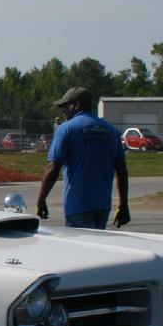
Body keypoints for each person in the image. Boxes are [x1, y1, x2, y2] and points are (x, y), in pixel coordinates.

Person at [36, 87, 129, 229]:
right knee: (96, 243)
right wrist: (123, 205)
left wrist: (41, 199)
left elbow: (53, 167)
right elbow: (122, 171)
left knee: (80, 243)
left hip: (77, 206)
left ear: (76, 105)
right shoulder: (112, 131)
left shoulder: (66, 129)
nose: (63, 111)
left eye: (66, 106)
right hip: (103, 207)